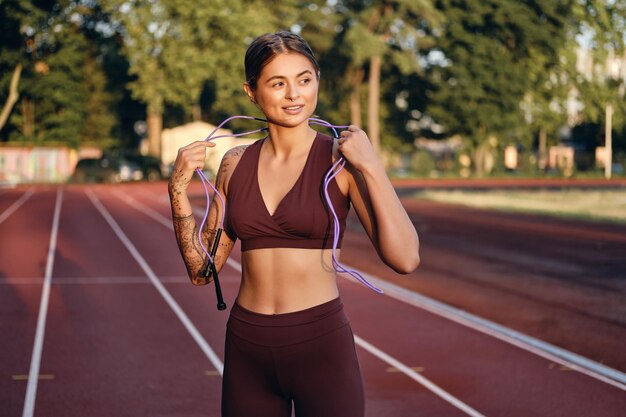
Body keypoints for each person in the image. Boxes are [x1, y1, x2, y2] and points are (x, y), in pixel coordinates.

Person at [168, 31, 420, 417]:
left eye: (304, 79)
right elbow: (203, 271)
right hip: (246, 346)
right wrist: (178, 190)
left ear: (318, 80)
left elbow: (405, 258)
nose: (294, 95)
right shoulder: (234, 164)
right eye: (277, 83)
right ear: (251, 91)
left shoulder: (342, 161)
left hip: (320, 346)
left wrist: (371, 166)